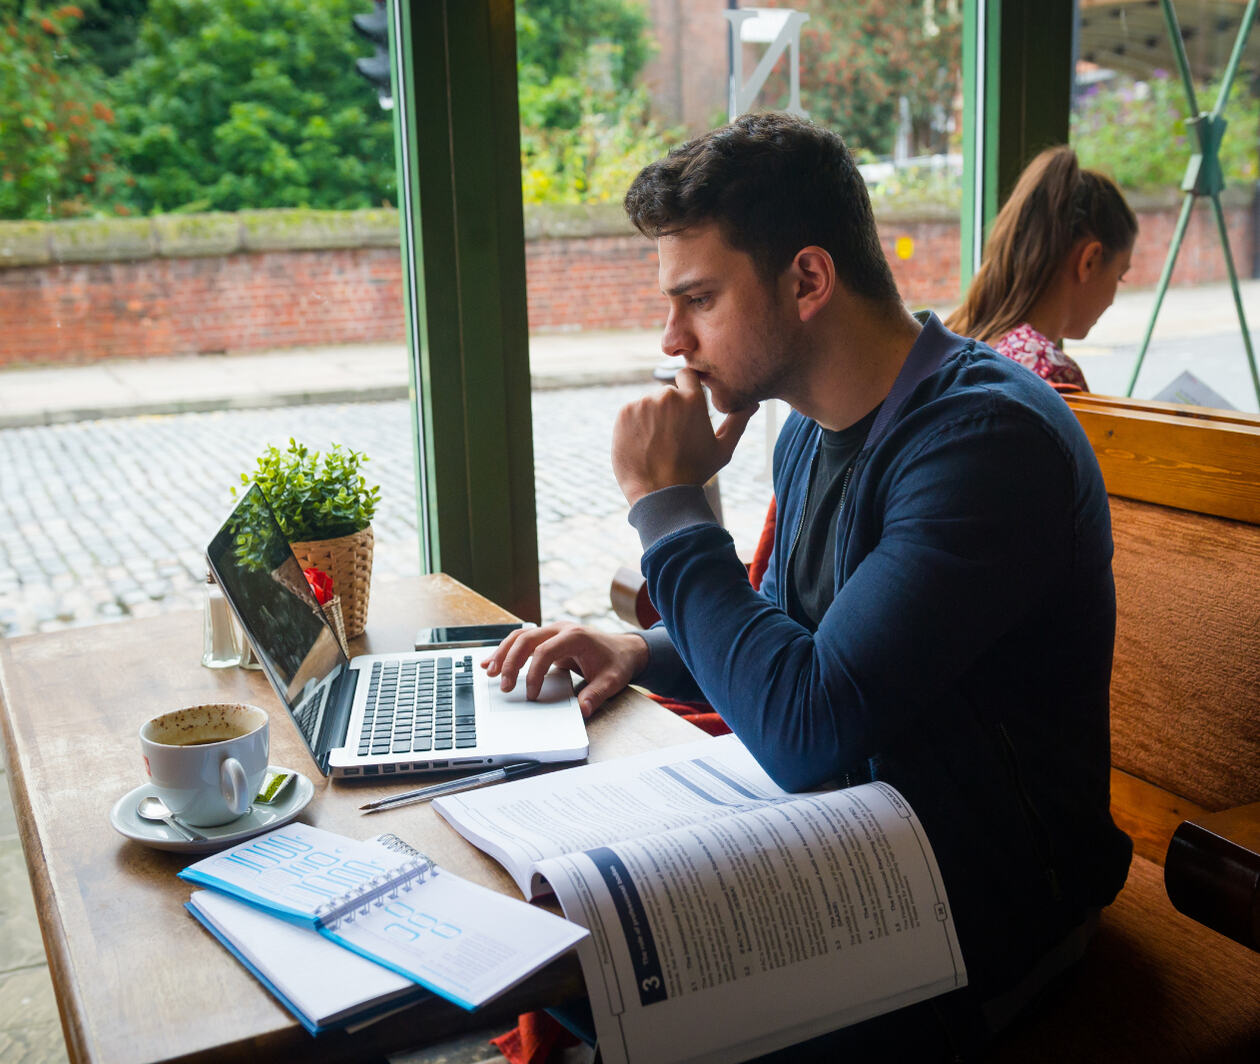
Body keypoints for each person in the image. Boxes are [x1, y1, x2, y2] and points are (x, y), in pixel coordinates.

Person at [483, 113, 1131, 1057]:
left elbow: (805, 724)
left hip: (989, 910)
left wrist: (669, 508)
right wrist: (640, 648)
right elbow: (796, 639)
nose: (673, 339)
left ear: (810, 279)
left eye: (698, 299)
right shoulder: (809, 429)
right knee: (564, 923)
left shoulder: (984, 444)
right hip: (856, 845)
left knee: (625, 1012)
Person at [946, 145, 1137, 391]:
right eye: (1119, 276)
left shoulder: (957, 341)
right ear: (1089, 261)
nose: (1113, 300)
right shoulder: (1052, 374)